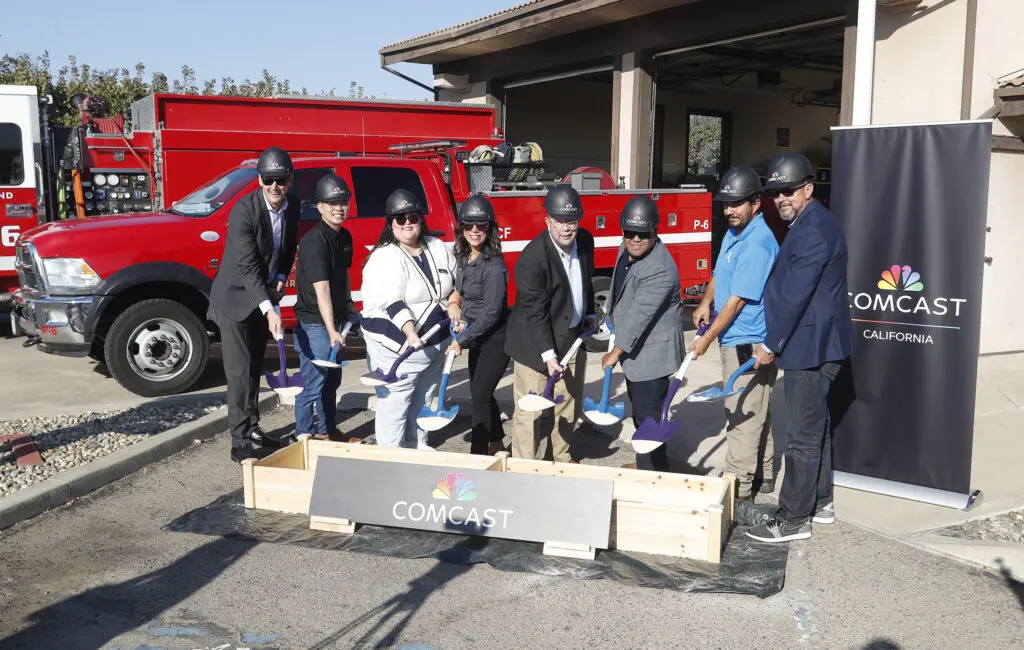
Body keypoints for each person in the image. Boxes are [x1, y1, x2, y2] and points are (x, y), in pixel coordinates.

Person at [747, 152, 854, 543]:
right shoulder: (814, 222)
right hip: (820, 343)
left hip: (812, 346)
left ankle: (793, 520)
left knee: (801, 437)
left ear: (808, 189)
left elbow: (795, 294)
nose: (781, 199)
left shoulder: (813, 230)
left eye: (788, 191)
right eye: (776, 193)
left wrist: (769, 344)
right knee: (818, 428)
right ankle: (821, 502)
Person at [691, 166, 781, 504]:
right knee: (758, 410)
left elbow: (738, 300)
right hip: (735, 337)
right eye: (725, 203)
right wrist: (704, 301)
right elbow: (720, 272)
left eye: (736, 203)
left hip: (748, 342)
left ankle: (737, 495)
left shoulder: (758, 242)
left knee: (741, 415)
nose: (728, 210)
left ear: (755, 203)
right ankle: (765, 474)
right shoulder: (735, 232)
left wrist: (706, 337)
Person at [210, 146, 299, 462]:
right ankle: (239, 442)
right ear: (259, 179)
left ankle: (253, 427)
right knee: (238, 370)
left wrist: (280, 274)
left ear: (289, 180)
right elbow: (247, 266)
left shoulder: (293, 206)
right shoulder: (243, 212)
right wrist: (268, 309)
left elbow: (288, 247)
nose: (275, 187)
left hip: (262, 294)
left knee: (254, 369)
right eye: (268, 180)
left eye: (281, 179)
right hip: (235, 298)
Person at [360, 188, 458, 450]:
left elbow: (454, 284)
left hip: (436, 340)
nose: (407, 223)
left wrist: (454, 301)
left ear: (420, 218)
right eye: (400, 219)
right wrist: (411, 333)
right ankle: (389, 452)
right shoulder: (384, 256)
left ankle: (417, 442)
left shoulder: (437, 246)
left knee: (426, 395)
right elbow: (392, 302)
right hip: (399, 345)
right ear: (390, 224)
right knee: (396, 399)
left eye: (412, 217)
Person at [504, 184, 595, 463]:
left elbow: (585, 283)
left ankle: (561, 460)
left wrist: (589, 315)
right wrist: (548, 355)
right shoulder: (532, 258)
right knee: (529, 412)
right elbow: (535, 312)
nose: (567, 229)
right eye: (560, 222)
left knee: (567, 406)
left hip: (570, 337)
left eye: (572, 221)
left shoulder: (586, 241)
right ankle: (524, 466)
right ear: (547, 221)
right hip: (534, 344)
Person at [601, 195, 684, 472]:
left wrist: (615, 351)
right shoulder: (626, 250)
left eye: (642, 234)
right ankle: (646, 464)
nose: (635, 239)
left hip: (652, 355)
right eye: (629, 233)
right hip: (637, 353)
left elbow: (640, 315)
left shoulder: (659, 268)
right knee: (641, 415)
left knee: (648, 419)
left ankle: (652, 474)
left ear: (655, 232)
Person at [292, 173, 360, 443]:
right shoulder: (313, 242)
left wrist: (350, 309)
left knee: (331, 382)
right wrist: (332, 330)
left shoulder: (344, 237)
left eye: (343, 201)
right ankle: (304, 436)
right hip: (315, 324)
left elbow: (341, 278)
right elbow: (322, 289)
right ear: (319, 207)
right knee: (314, 383)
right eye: (332, 203)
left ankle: (329, 431)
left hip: (336, 320)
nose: (338, 207)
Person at [446, 195, 512, 456]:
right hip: (476, 335)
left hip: (495, 338)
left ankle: (478, 453)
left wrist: (461, 340)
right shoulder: (464, 258)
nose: (475, 231)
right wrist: (453, 300)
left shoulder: (494, 267)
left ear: (490, 228)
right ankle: (496, 441)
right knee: (480, 391)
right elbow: (459, 289)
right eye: (469, 225)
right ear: (461, 227)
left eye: (481, 225)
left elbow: (492, 314)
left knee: (481, 395)